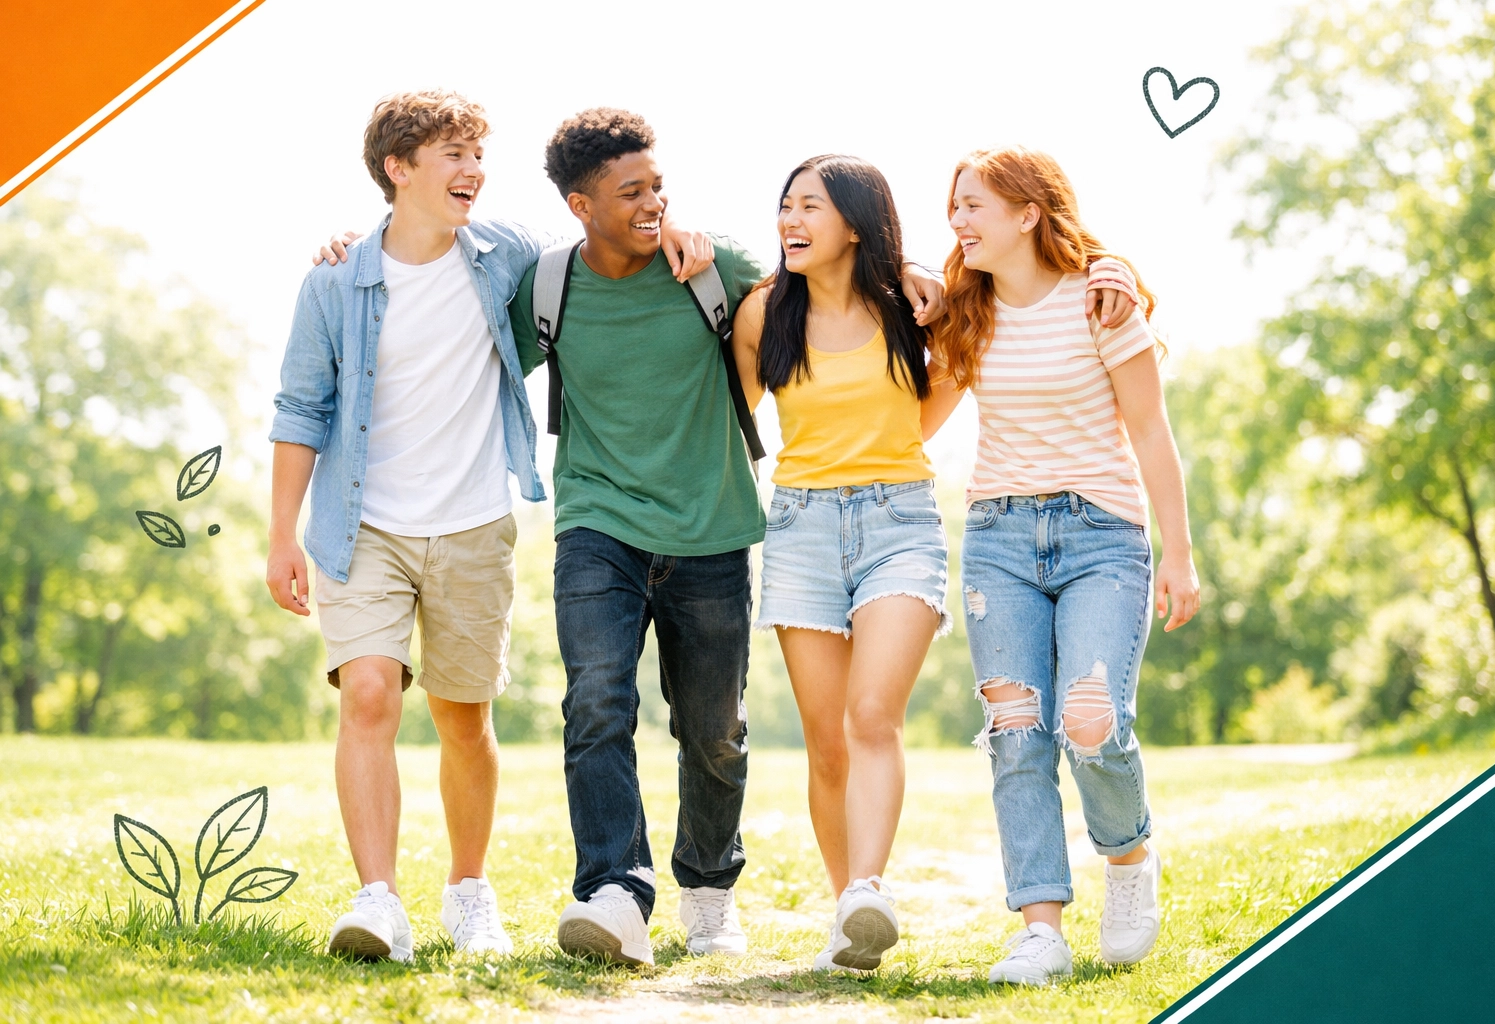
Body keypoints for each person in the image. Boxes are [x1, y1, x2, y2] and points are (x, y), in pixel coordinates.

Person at [268, 90, 711, 964]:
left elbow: (602, 246)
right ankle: (378, 899)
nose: (474, 171)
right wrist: (283, 533)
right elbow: (299, 408)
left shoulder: (504, 255)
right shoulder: (335, 278)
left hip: (473, 522)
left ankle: (469, 893)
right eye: (452, 156)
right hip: (364, 526)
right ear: (398, 169)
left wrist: (685, 233)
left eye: (477, 155)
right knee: (367, 695)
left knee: (463, 717)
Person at [503, 111, 949, 968]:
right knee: (597, 700)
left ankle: (708, 890)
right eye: (631, 192)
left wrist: (917, 267)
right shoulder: (547, 287)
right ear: (579, 203)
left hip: (712, 526)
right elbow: (474, 345)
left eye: (658, 187)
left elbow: (835, 282)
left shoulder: (720, 267)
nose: (654, 204)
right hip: (596, 518)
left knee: (714, 729)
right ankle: (614, 891)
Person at [730, 155, 1136, 974]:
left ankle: (867, 888)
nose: (791, 222)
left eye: (810, 206)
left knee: (872, 714)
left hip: (899, 523)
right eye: (785, 208)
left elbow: (927, 413)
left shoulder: (917, 309)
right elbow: (734, 416)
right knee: (826, 741)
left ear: (853, 221)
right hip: (802, 526)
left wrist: (1111, 265)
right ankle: (851, 920)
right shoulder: (762, 313)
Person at [925, 145, 1201, 986]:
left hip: (1101, 537)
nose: (959, 221)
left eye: (974, 205)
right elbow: (917, 422)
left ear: (1027, 213)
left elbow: (1151, 431)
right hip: (999, 539)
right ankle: (1039, 927)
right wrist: (914, 305)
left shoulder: (1103, 299)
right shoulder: (969, 316)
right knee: (1016, 734)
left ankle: (1127, 859)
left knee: (1091, 720)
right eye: (955, 207)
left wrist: (1179, 555)